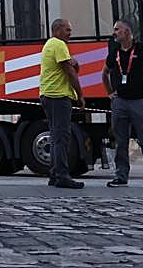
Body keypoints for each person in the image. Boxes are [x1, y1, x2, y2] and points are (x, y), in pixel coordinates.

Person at [101, 19, 143, 190]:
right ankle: (121, 176)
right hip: (120, 102)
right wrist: (110, 93)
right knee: (121, 141)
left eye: (117, 29)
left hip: (140, 101)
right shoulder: (115, 52)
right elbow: (104, 73)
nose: (114, 32)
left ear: (127, 31)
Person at [39, 18, 84, 189]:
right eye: (67, 30)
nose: (70, 33)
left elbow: (71, 67)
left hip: (48, 95)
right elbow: (70, 72)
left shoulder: (50, 44)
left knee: (56, 136)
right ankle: (62, 175)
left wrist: (75, 64)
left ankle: (54, 174)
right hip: (58, 96)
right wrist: (80, 95)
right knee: (62, 138)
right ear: (57, 30)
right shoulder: (59, 44)